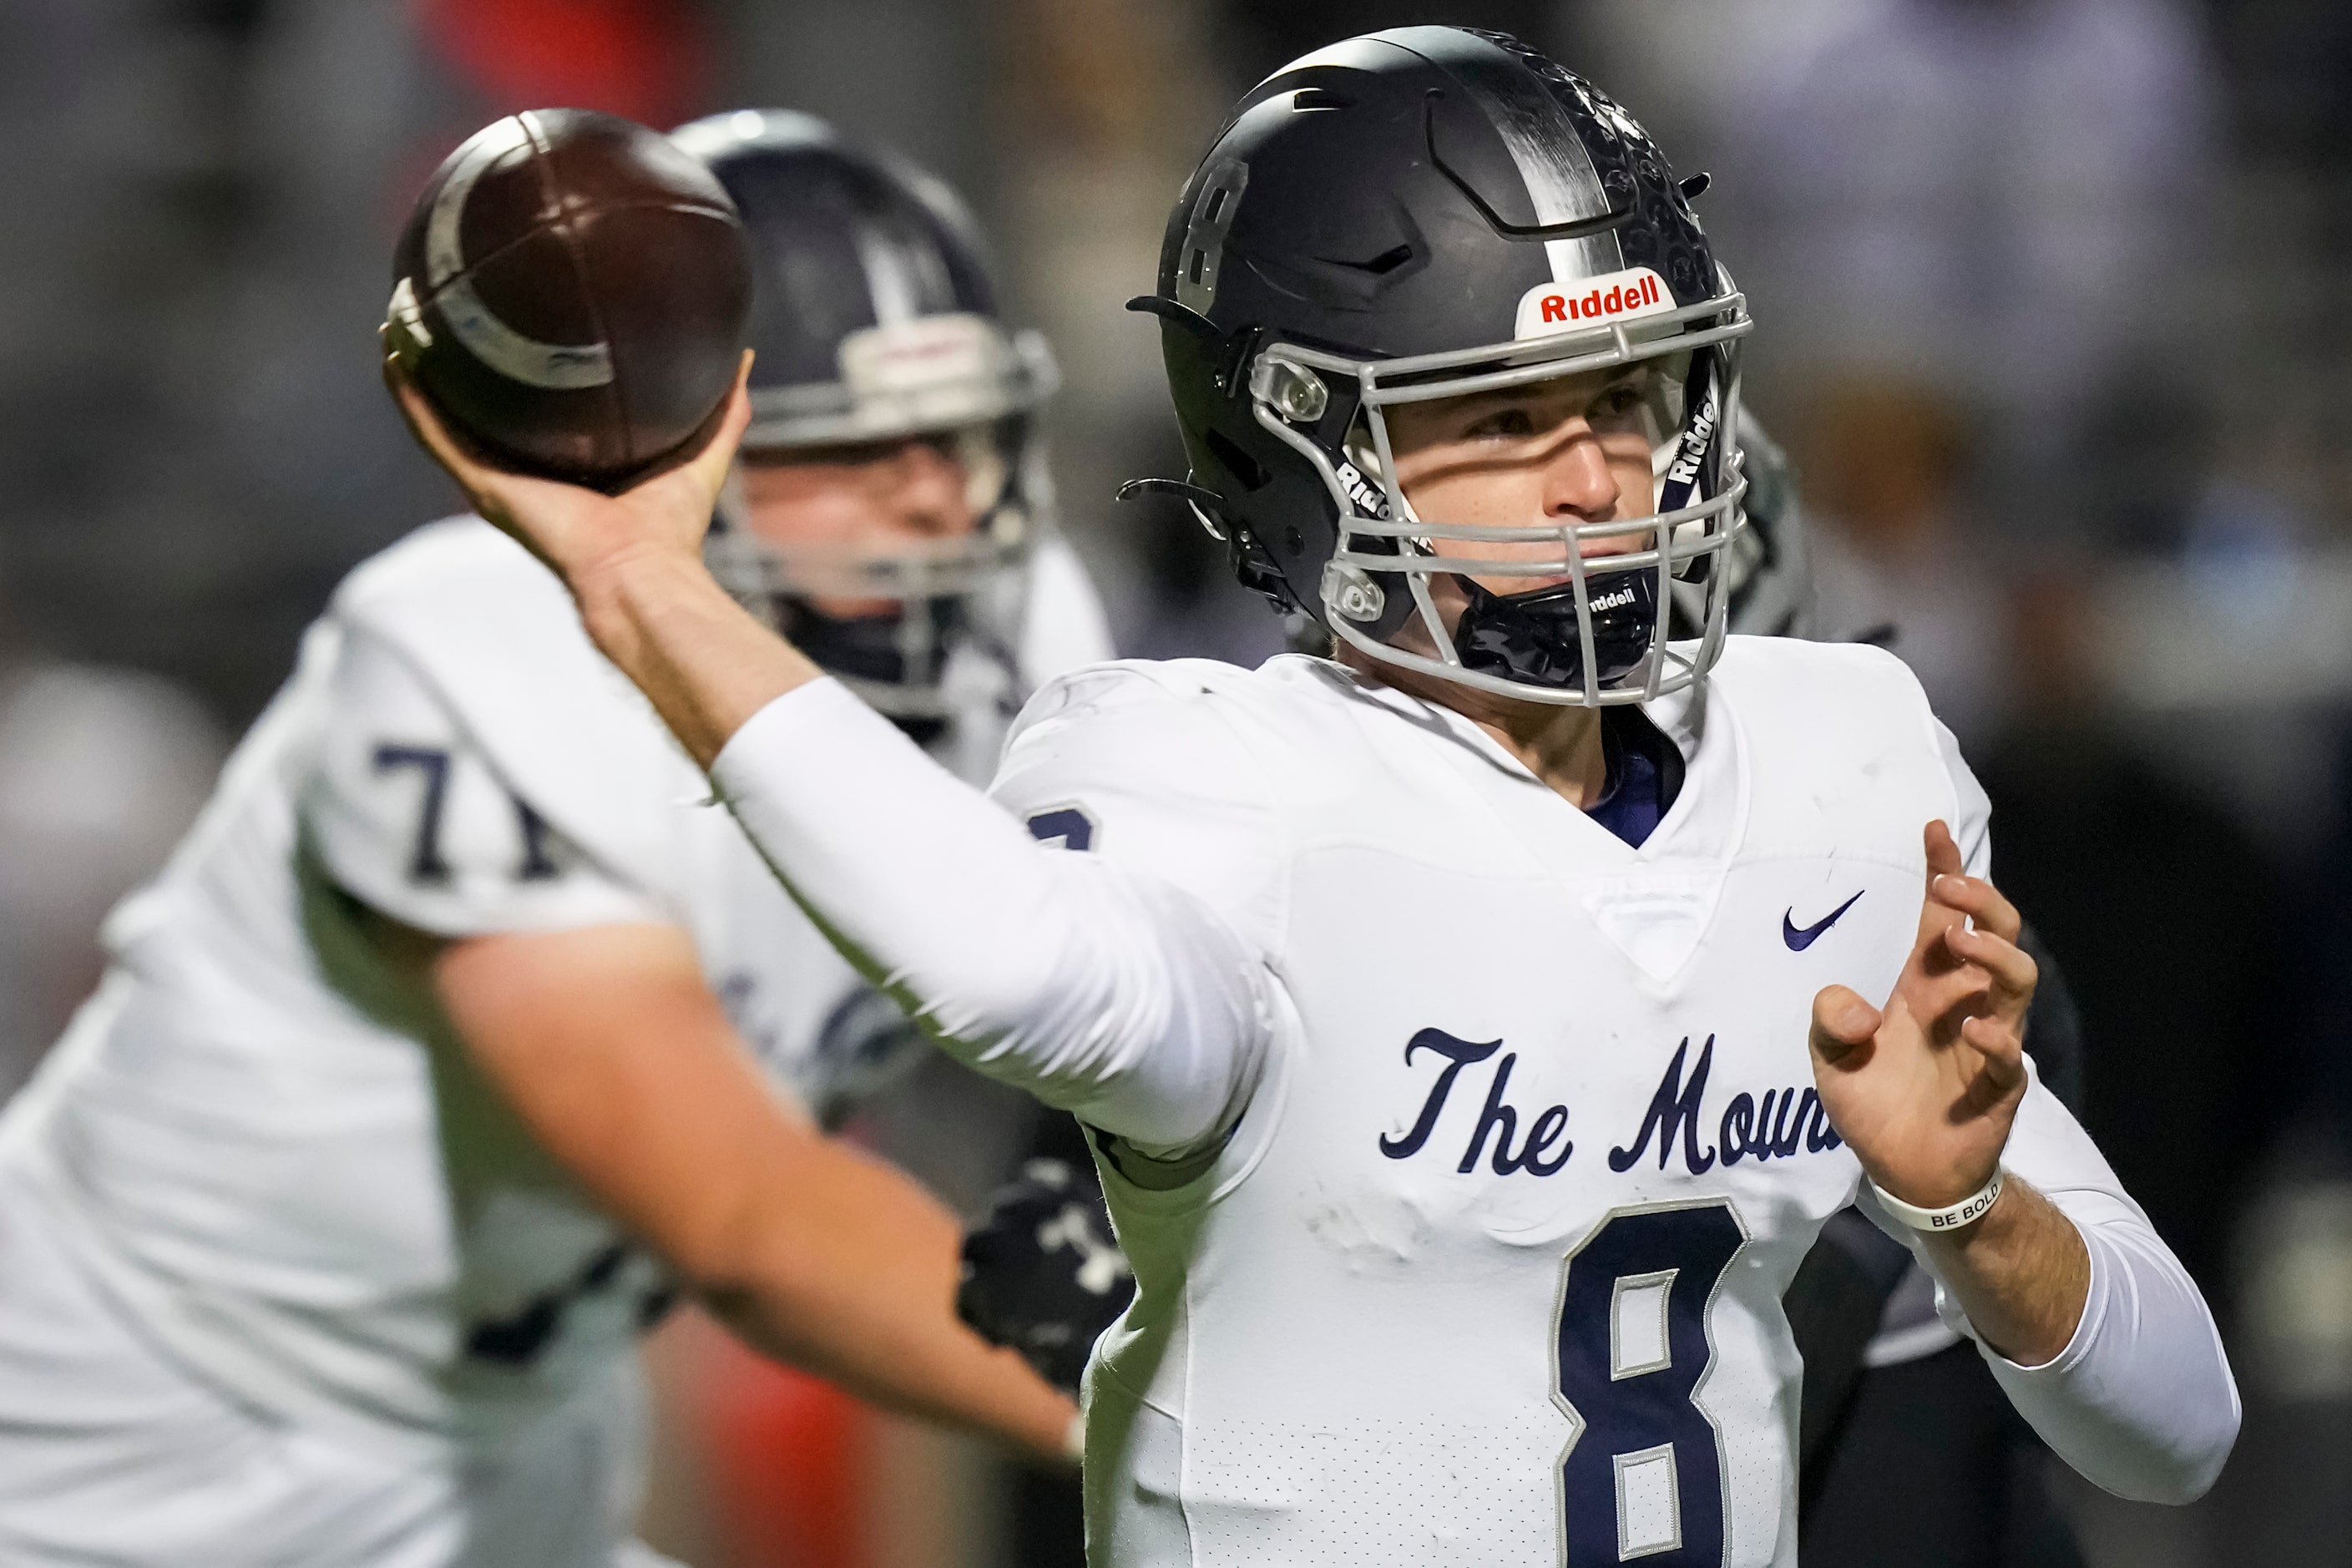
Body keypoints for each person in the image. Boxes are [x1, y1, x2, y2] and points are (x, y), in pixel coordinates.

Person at [394, 29, 2238, 1565]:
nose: (1598, 474)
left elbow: (2175, 1433)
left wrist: (1972, 1207)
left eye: (1628, 392)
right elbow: (1010, 968)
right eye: (1503, 417)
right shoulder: (1225, 788)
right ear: (1301, 446)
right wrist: (648, 590)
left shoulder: (1847, 759)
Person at [0, 112, 1094, 1565]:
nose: (937, 499)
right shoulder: (475, 649)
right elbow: (741, 1214)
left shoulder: (1027, 637)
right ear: (659, 449)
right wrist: (1231, 1419)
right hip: (140, 1444)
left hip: (518, 1444)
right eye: (859, 447)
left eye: (960, 435)